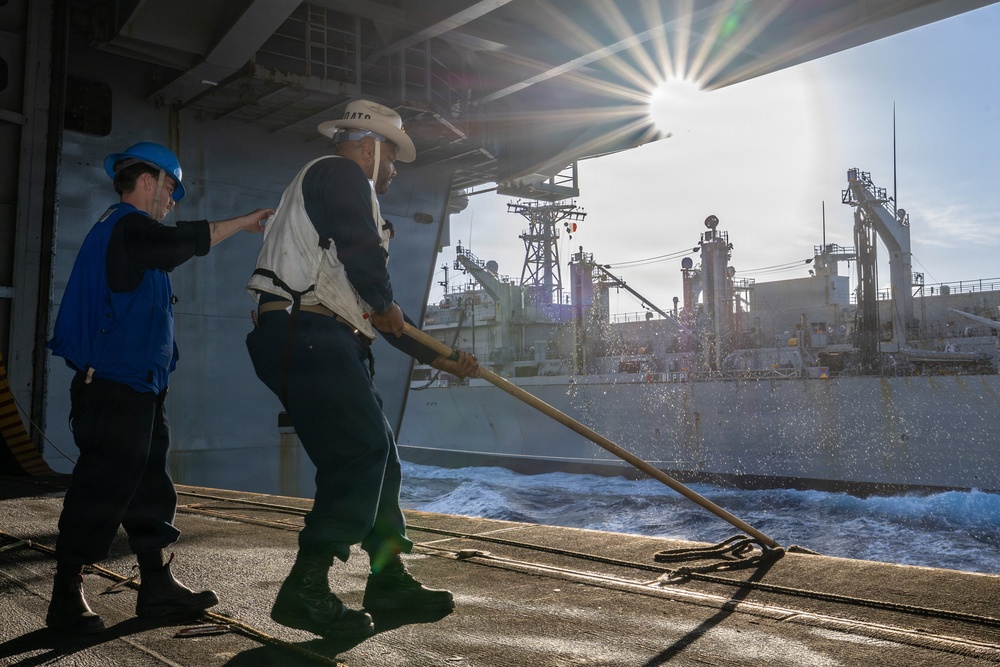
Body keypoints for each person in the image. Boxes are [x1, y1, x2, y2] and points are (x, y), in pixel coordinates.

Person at [245, 99, 478, 638]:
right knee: (363, 451)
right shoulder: (341, 174)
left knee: (382, 459)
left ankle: (387, 578)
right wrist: (383, 298)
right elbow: (370, 273)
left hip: (323, 337)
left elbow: (383, 318)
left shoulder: (330, 200)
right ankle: (306, 587)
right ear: (371, 149)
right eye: (393, 159)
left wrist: (446, 359)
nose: (395, 171)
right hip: (308, 335)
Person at [46, 141, 274, 634]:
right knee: (100, 485)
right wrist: (241, 223)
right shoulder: (127, 226)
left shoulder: (127, 234)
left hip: (140, 387)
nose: (173, 200)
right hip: (112, 388)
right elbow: (176, 245)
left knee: (148, 484)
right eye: (172, 188)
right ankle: (65, 594)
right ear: (147, 181)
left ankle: (156, 587)